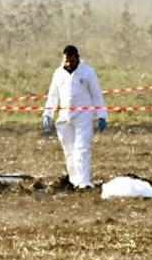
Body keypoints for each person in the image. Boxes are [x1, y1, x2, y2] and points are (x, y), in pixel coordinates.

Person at [42, 44, 107, 189]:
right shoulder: (58, 73)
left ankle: (84, 183)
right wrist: (47, 114)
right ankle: (74, 181)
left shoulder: (88, 72)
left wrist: (102, 114)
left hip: (83, 116)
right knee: (69, 150)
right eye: (66, 61)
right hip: (64, 117)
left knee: (82, 148)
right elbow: (53, 95)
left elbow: (96, 94)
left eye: (71, 61)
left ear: (77, 58)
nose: (69, 64)